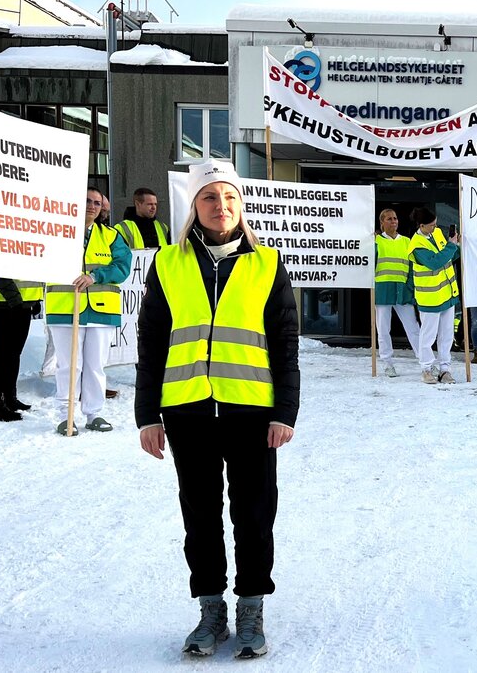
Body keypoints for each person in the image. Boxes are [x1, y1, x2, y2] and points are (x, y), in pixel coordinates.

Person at [135, 159, 299, 657]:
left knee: (254, 514)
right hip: (187, 412)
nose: (220, 206)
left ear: (240, 204)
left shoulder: (266, 263)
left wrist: (284, 412)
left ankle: (251, 608)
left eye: (228, 198)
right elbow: (151, 343)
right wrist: (147, 415)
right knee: (200, 515)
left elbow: (285, 342)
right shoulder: (168, 263)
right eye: (209, 197)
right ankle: (211, 612)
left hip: (252, 412)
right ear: (194, 204)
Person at [45, 186, 132, 435]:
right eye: (87, 201)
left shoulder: (110, 236)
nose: (92, 206)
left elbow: (123, 266)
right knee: (69, 365)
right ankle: (66, 415)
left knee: (95, 365)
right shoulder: (56, 231)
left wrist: (97, 276)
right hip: (64, 307)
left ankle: (94, 413)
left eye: (96, 202)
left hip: (101, 310)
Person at [0, 273, 43, 421]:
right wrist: (15, 299)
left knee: (14, 352)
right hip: (1, 300)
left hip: (21, 302)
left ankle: (9, 398)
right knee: (1, 351)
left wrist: (33, 299)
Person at [409, 207, 460, 384]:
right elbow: (435, 262)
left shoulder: (437, 233)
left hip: (447, 294)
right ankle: (426, 369)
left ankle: (445, 370)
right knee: (428, 336)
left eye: (436, 223)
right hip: (429, 298)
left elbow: (449, 257)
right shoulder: (416, 245)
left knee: (446, 335)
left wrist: (457, 247)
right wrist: (452, 247)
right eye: (432, 225)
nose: (435, 227)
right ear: (421, 225)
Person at [373, 208, 422, 377]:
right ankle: (387, 363)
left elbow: (412, 267)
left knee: (413, 328)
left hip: (402, 291)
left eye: (395, 218)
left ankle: (425, 362)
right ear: (382, 223)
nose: (393, 221)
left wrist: (410, 288)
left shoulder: (407, 242)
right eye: (389, 219)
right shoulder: (376, 242)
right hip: (383, 290)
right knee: (383, 329)